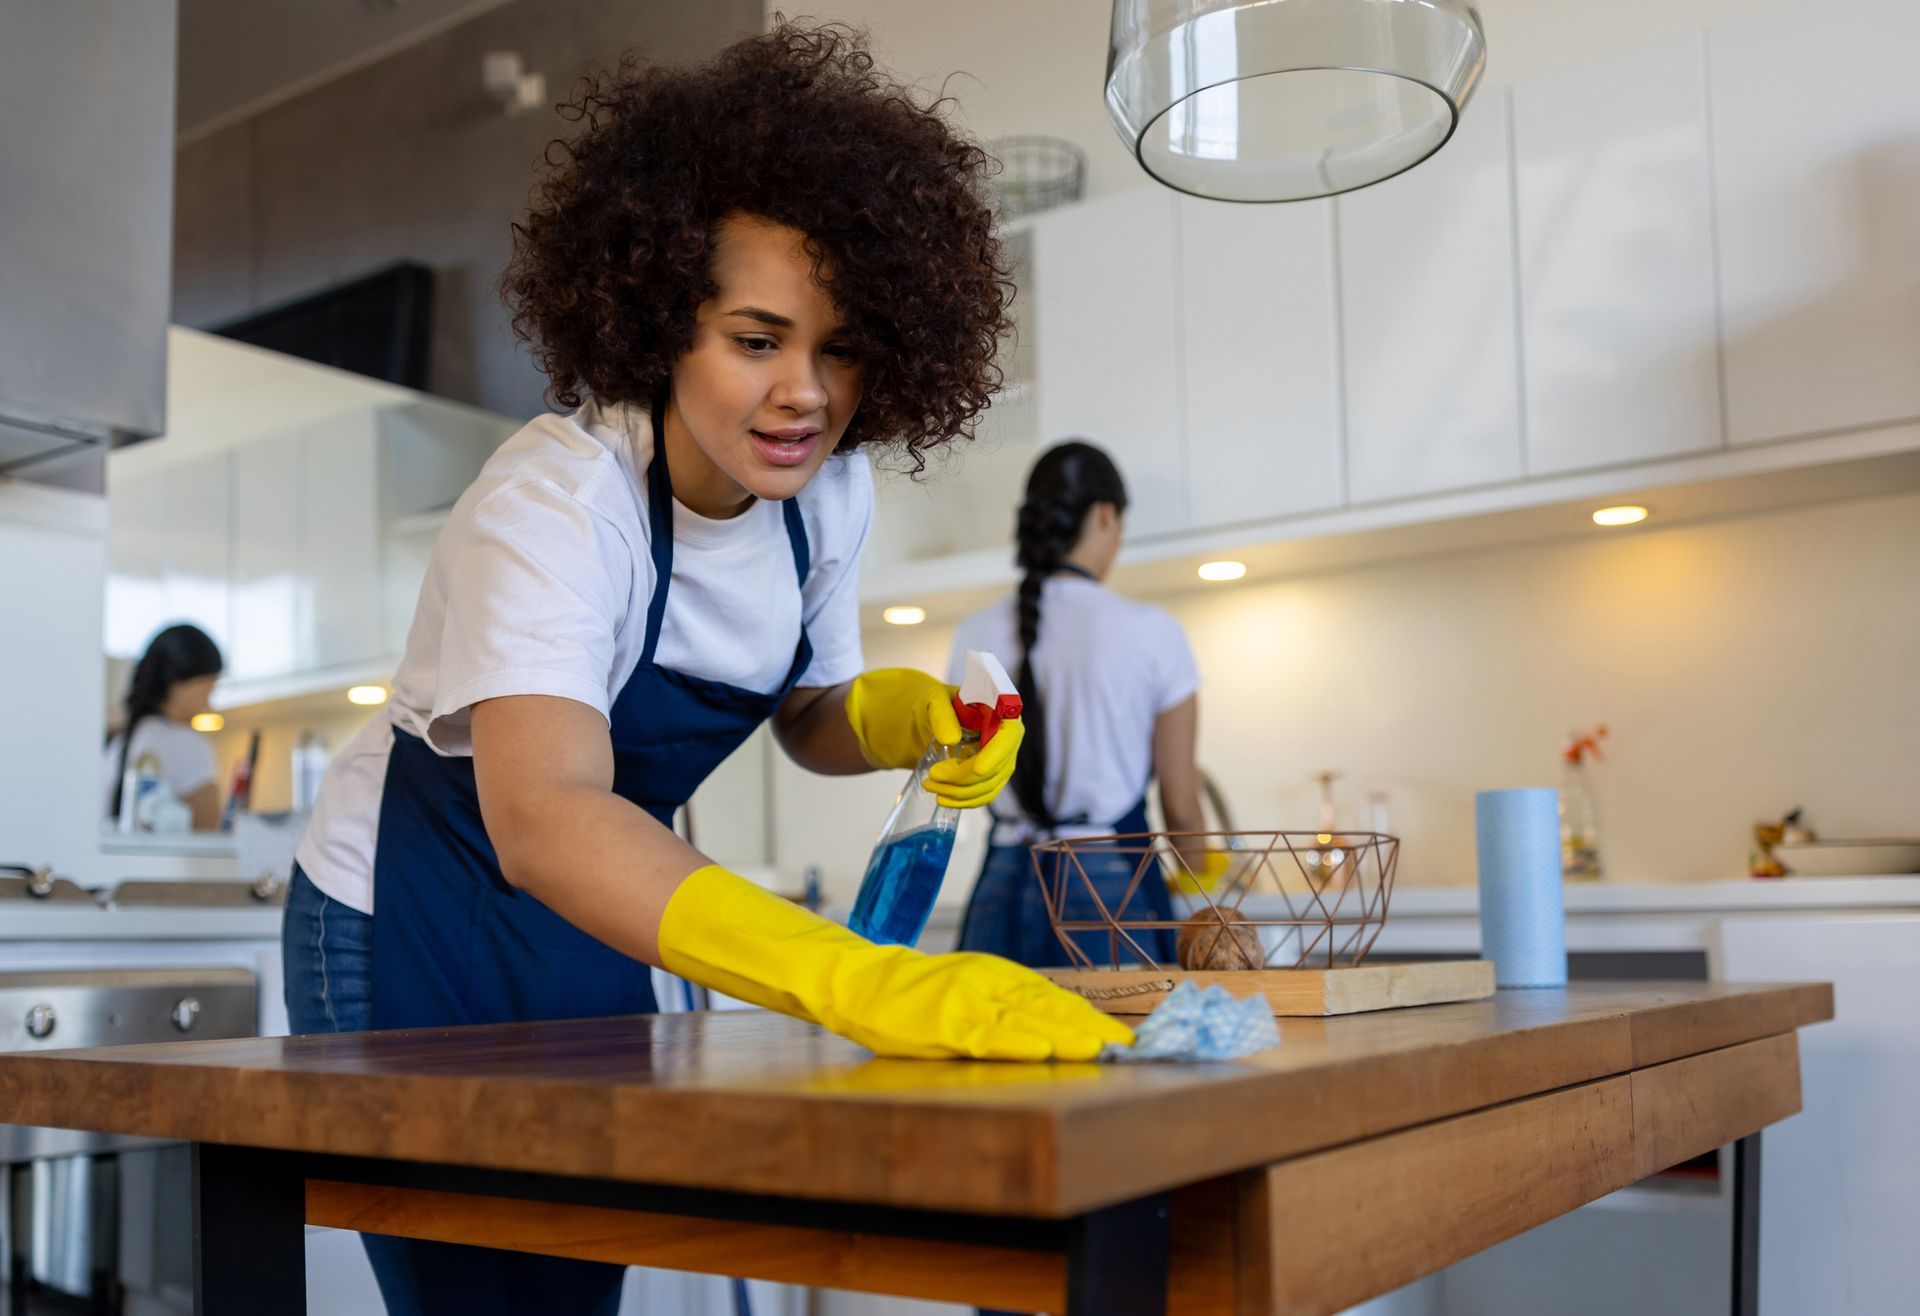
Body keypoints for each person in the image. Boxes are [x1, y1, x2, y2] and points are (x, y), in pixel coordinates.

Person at [279, 25, 1130, 1316]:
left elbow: (806, 713)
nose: (804, 394)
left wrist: (911, 717)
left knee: (576, 1287)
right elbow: (546, 814)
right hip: (411, 911)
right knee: (479, 1295)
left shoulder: (823, 498)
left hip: (587, 920)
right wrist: (852, 976)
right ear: (662, 319)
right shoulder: (560, 505)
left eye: (839, 348)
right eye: (756, 338)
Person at [950, 441, 1224, 968]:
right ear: (1104, 516)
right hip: (1109, 882)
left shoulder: (974, 631)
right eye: (1120, 523)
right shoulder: (1152, 632)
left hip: (1003, 878)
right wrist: (1204, 890)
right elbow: (1182, 804)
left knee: (993, 1041)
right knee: (1125, 1044)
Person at [102, 623, 224, 831]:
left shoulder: (119, 744)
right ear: (180, 683)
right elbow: (208, 830)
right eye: (209, 690)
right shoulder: (186, 745)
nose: (210, 704)